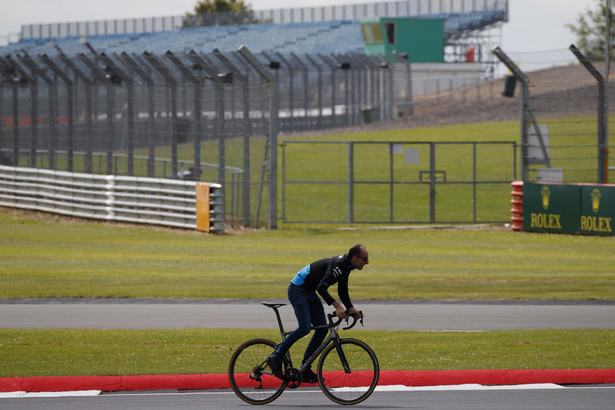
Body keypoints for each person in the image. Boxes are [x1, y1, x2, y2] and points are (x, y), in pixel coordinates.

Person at [266, 244, 369, 384]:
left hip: (309, 292)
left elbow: (342, 290)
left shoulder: (346, 267)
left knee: (322, 330)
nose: (367, 262)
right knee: (304, 328)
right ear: (355, 258)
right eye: (365, 259)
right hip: (298, 290)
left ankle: (305, 367)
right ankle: (275, 357)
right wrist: (337, 306)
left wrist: (351, 308)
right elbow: (322, 288)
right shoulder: (339, 265)